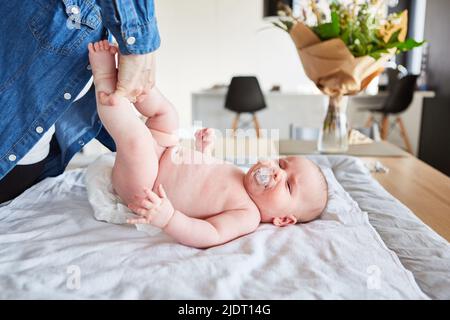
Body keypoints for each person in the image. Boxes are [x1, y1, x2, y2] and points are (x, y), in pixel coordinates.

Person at [88, 40, 328, 249]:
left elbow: (210, 234)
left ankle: (105, 78)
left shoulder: (247, 215)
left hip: (146, 186)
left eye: (288, 186)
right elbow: (204, 178)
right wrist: (204, 151)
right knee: (167, 115)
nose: (277, 172)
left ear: (284, 220)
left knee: (138, 139)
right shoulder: (241, 174)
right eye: (281, 163)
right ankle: (133, 80)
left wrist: (168, 217)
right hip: (165, 153)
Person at [0, 0, 161, 203]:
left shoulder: (150, 177)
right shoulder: (165, 150)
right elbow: (146, 113)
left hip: (22, 172)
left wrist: (107, 76)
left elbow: (132, 129)